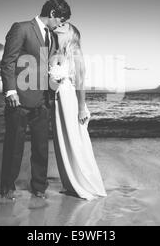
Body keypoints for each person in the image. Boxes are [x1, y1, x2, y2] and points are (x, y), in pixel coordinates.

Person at [0, 0, 71, 201]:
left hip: (43, 100)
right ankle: (7, 188)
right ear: (52, 13)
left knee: (41, 147)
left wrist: (57, 78)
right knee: (14, 146)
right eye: (60, 19)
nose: (61, 24)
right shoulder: (21, 28)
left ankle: (39, 187)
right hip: (19, 99)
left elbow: (47, 66)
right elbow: (8, 62)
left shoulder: (53, 37)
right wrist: (10, 91)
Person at [50, 23, 107, 200]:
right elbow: (50, 81)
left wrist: (82, 108)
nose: (60, 25)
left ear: (71, 33)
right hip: (57, 101)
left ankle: (86, 184)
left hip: (70, 100)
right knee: (62, 142)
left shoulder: (76, 52)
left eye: (64, 25)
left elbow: (81, 82)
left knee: (76, 140)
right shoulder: (55, 52)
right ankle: (70, 184)